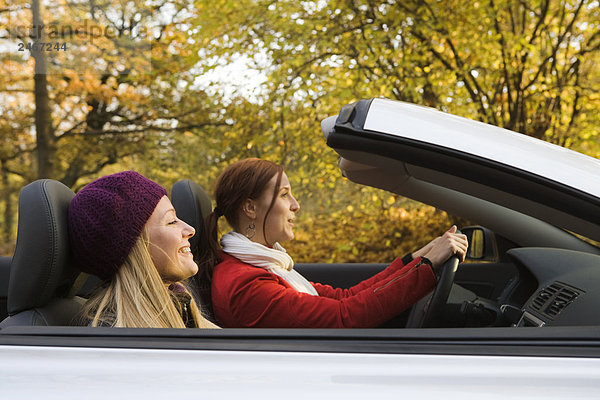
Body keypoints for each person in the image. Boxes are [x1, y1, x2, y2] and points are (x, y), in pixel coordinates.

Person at [199, 158, 468, 328]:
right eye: (284, 195)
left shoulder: (264, 264)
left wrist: (419, 257)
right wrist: (428, 266)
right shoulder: (247, 284)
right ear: (250, 208)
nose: (296, 205)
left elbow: (344, 297)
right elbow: (345, 316)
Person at [68, 171, 218, 328]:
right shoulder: (117, 334)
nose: (190, 229)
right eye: (171, 221)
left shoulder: (178, 304)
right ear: (134, 248)